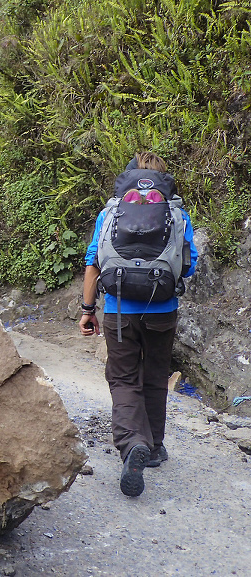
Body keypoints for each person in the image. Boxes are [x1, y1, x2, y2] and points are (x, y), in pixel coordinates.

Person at [79, 152, 198, 497]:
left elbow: (93, 263)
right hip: (162, 309)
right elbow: (188, 266)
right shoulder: (177, 213)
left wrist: (88, 309)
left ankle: (132, 443)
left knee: (123, 377)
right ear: (165, 179)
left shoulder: (110, 211)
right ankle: (155, 447)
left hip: (119, 310)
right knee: (156, 375)